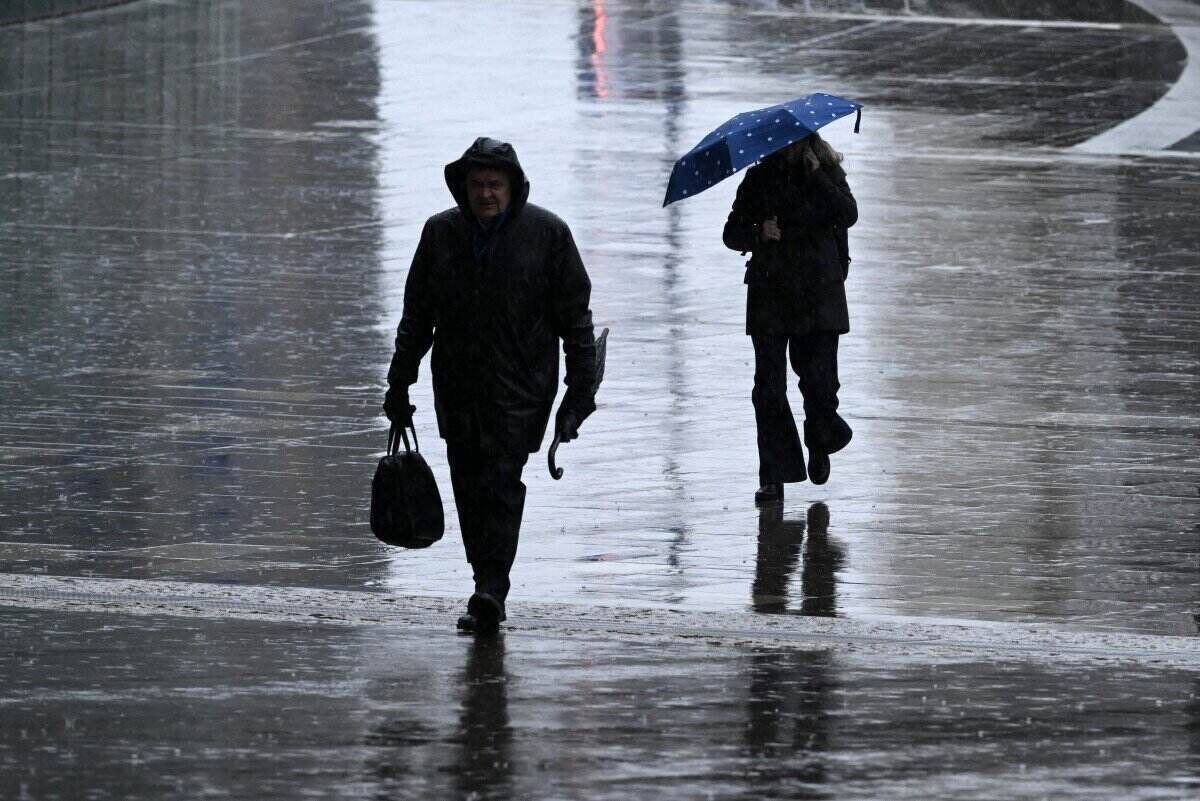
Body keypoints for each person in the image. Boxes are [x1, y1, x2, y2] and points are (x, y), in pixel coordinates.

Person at [383, 137, 598, 634]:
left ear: (512, 188)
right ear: (464, 188)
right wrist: (399, 382)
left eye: (494, 185)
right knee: (468, 486)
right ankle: (485, 577)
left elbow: (576, 322)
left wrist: (579, 396)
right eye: (477, 185)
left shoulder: (548, 235)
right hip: (457, 385)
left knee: (500, 483)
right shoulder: (440, 234)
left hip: (521, 389)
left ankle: (491, 589)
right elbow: (417, 316)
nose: (485, 194)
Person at [722, 132, 857, 504]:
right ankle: (774, 474)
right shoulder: (759, 178)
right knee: (768, 388)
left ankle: (820, 436)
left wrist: (816, 176)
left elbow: (848, 214)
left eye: (796, 142)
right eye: (783, 143)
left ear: (809, 142)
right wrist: (757, 232)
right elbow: (731, 233)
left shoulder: (828, 173)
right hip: (772, 293)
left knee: (820, 384)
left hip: (818, 292)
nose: (788, 148)